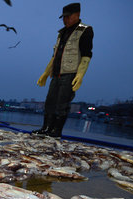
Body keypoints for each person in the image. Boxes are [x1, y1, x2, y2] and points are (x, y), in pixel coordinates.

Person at [32, 2, 93, 138]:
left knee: (62, 104)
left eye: (68, 17)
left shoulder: (85, 30)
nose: (65, 20)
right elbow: (55, 56)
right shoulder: (61, 33)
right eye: (63, 17)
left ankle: (56, 131)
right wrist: (46, 73)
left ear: (77, 15)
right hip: (56, 73)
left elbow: (86, 54)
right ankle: (46, 128)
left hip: (70, 74)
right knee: (50, 102)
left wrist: (80, 74)